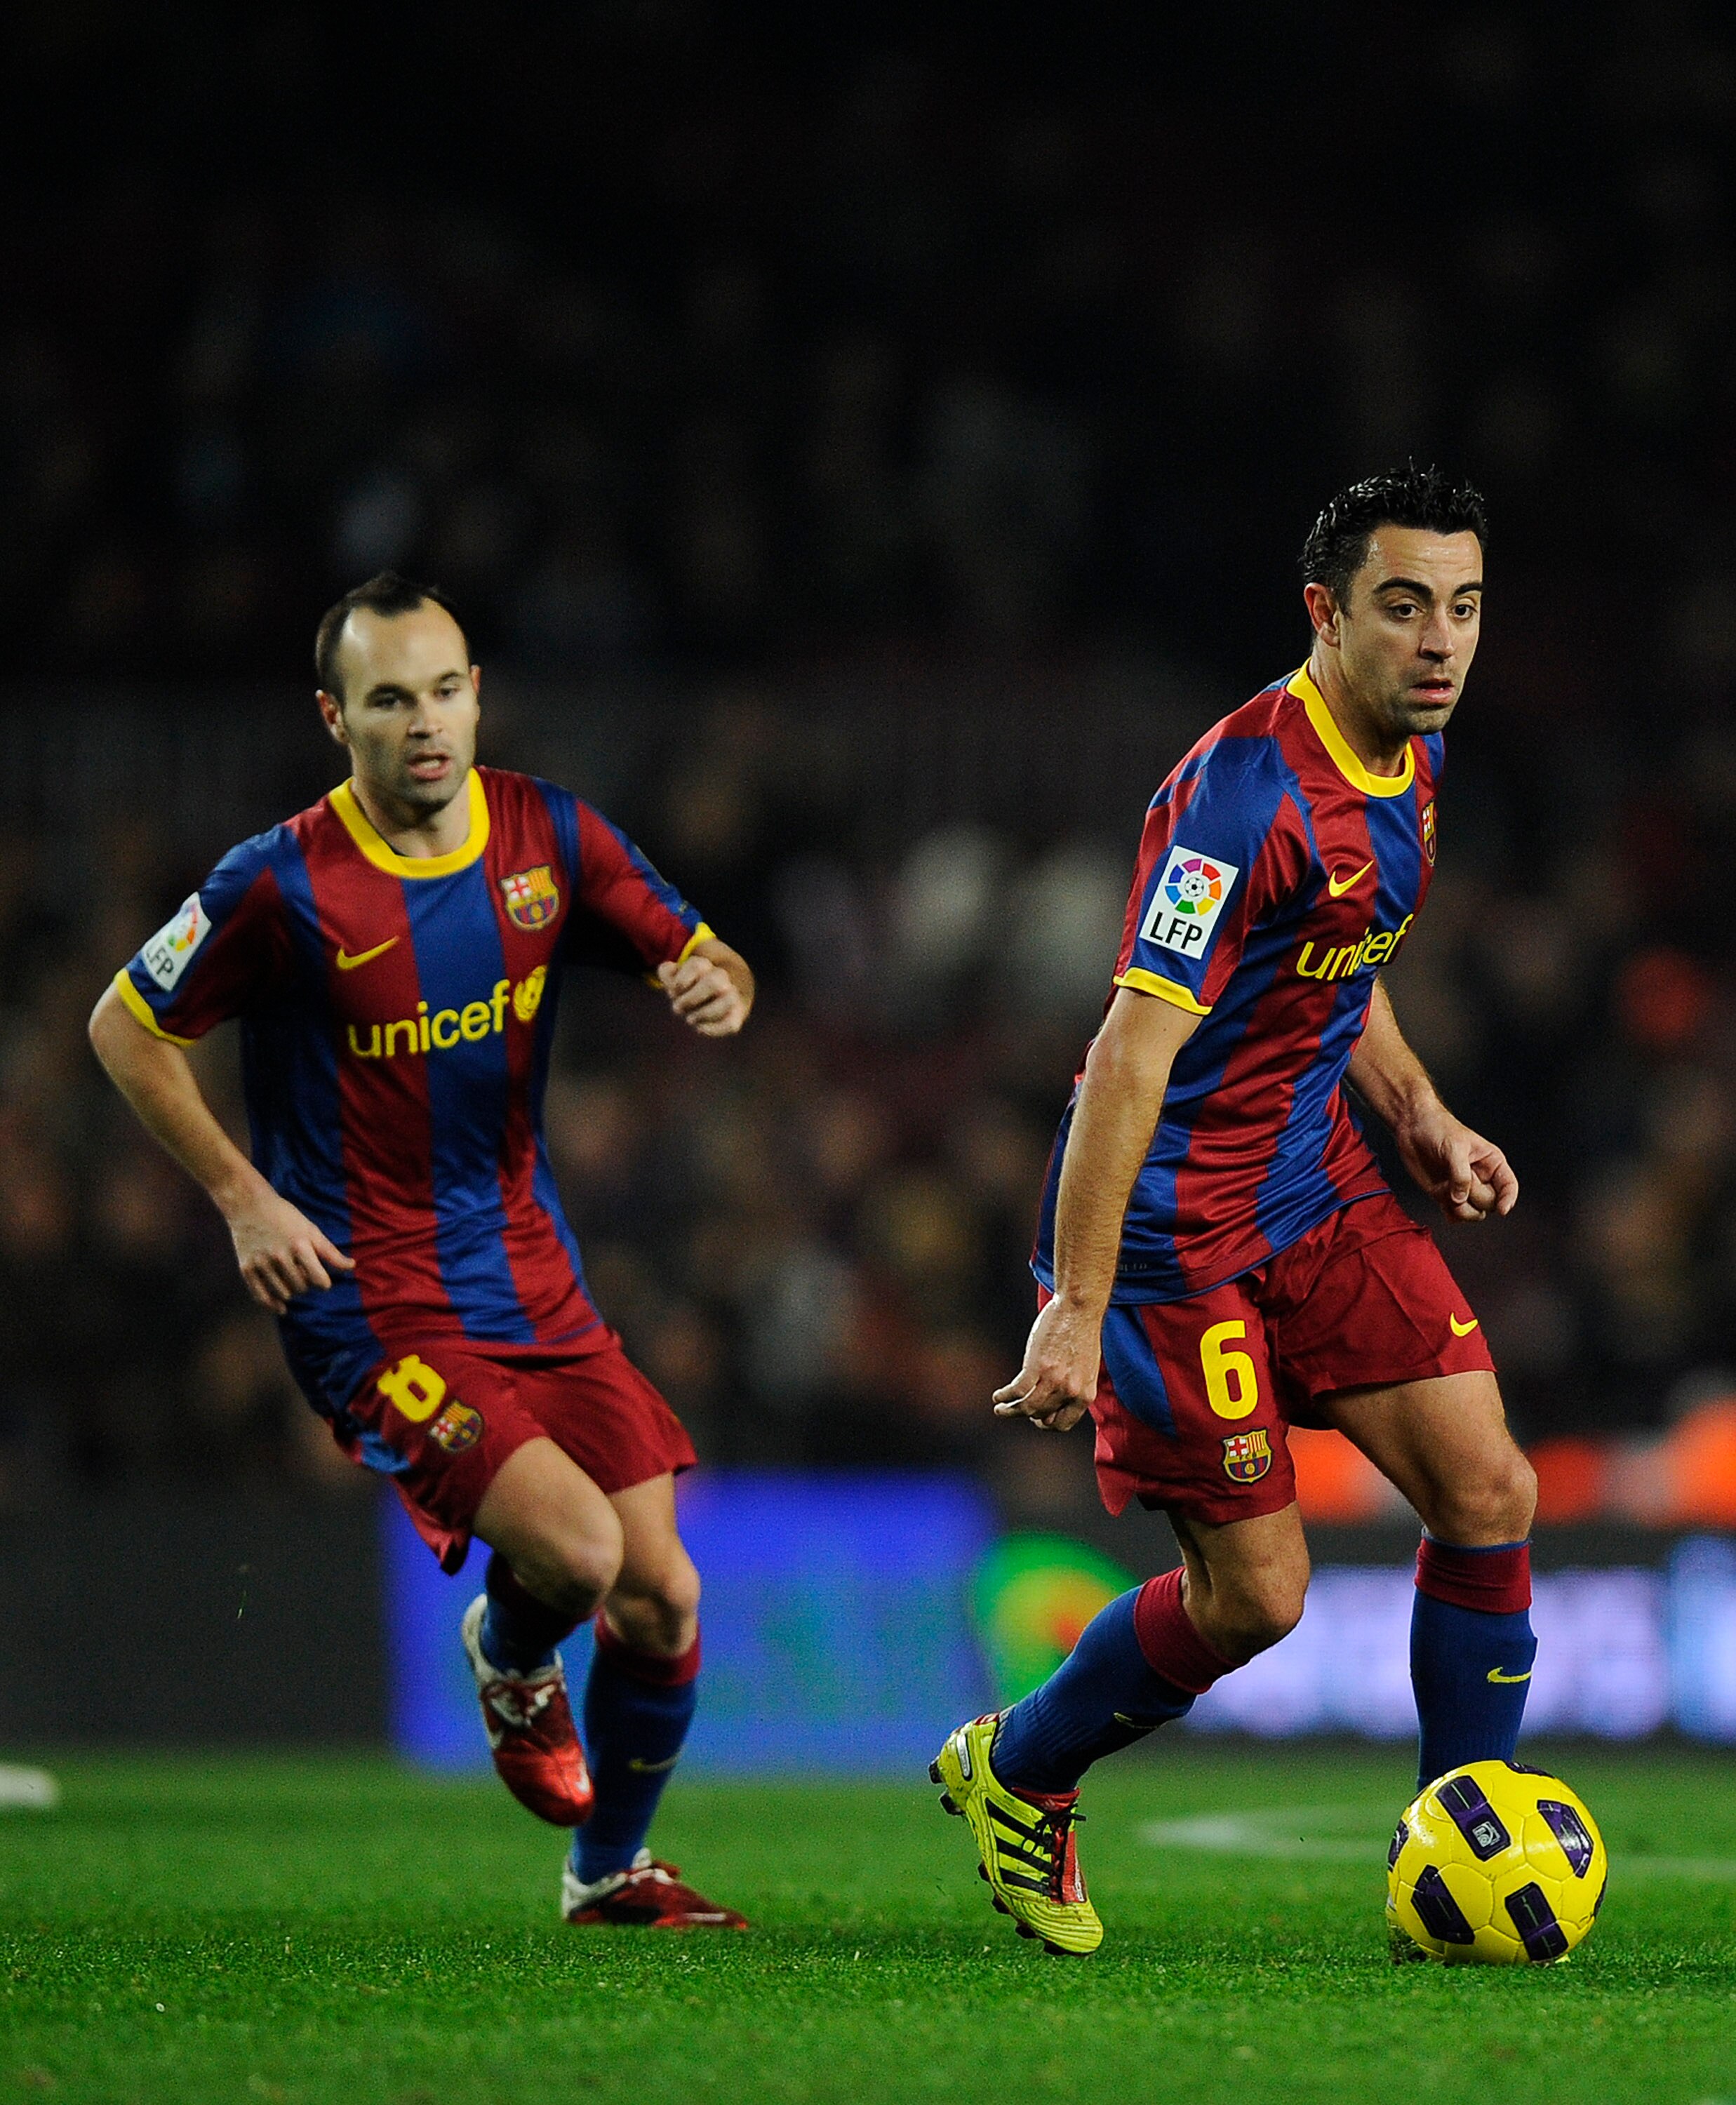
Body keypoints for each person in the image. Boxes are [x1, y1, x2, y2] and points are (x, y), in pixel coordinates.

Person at [90, 572, 754, 1930]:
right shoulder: (277, 883)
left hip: (530, 1272)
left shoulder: (548, 838)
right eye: (390, 699)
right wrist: (242, 1197)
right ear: (337, 718)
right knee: (573, 1555)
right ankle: (512, 1658)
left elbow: (712, 958)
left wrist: (711, 982)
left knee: (663, 1595)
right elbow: (124, 1025)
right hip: (367, 1300)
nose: (426, 723)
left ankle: (606, 1872)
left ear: (473, 695)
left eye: (445, 689)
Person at [933, 467, 1537, 1958]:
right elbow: (1130, 1051)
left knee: (1489, 1491)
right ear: (1325, 614)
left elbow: (1340, 953)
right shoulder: (1241, 794)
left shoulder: (1417, 752)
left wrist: (1418, 1114)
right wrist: (1074, 1303)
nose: (1438, 640)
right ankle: (1018, 1769)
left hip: (1315, 1191)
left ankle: (1465, 1842)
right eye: (1403, 608)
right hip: (1166, 1246)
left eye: (1461, 608)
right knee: (1257, 1599)